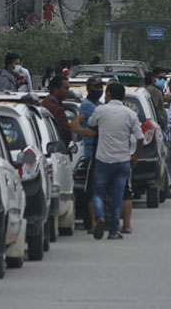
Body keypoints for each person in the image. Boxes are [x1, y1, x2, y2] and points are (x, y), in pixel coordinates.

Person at [71, 83, 143, 240]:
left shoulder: (100, 111)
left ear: (108, 95)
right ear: (123, 97)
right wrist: (135, 156)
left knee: (98, 193)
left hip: (102, 160)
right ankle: (113, 231)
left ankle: (100, 217)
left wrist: (77, 126)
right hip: (122, 161)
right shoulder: (130, 114)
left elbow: (91, 127)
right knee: (118, 196)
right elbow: (140, 138)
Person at [72, 76, 104, 231]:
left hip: (101, 152)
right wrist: (77, 126)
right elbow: (94, 129)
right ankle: (93, 223)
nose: (99, 90)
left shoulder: (98, 105)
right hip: (92, 152)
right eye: (95, 87)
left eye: (100, 87)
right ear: (89, 89)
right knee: (91, 189)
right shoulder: (87, 106)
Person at [40, 76, 74, 144]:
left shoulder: (45, 103)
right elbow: (66, 133)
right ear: (55, 89)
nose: (68, 91)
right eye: (65, 88)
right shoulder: (55, 109)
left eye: (68, 88)